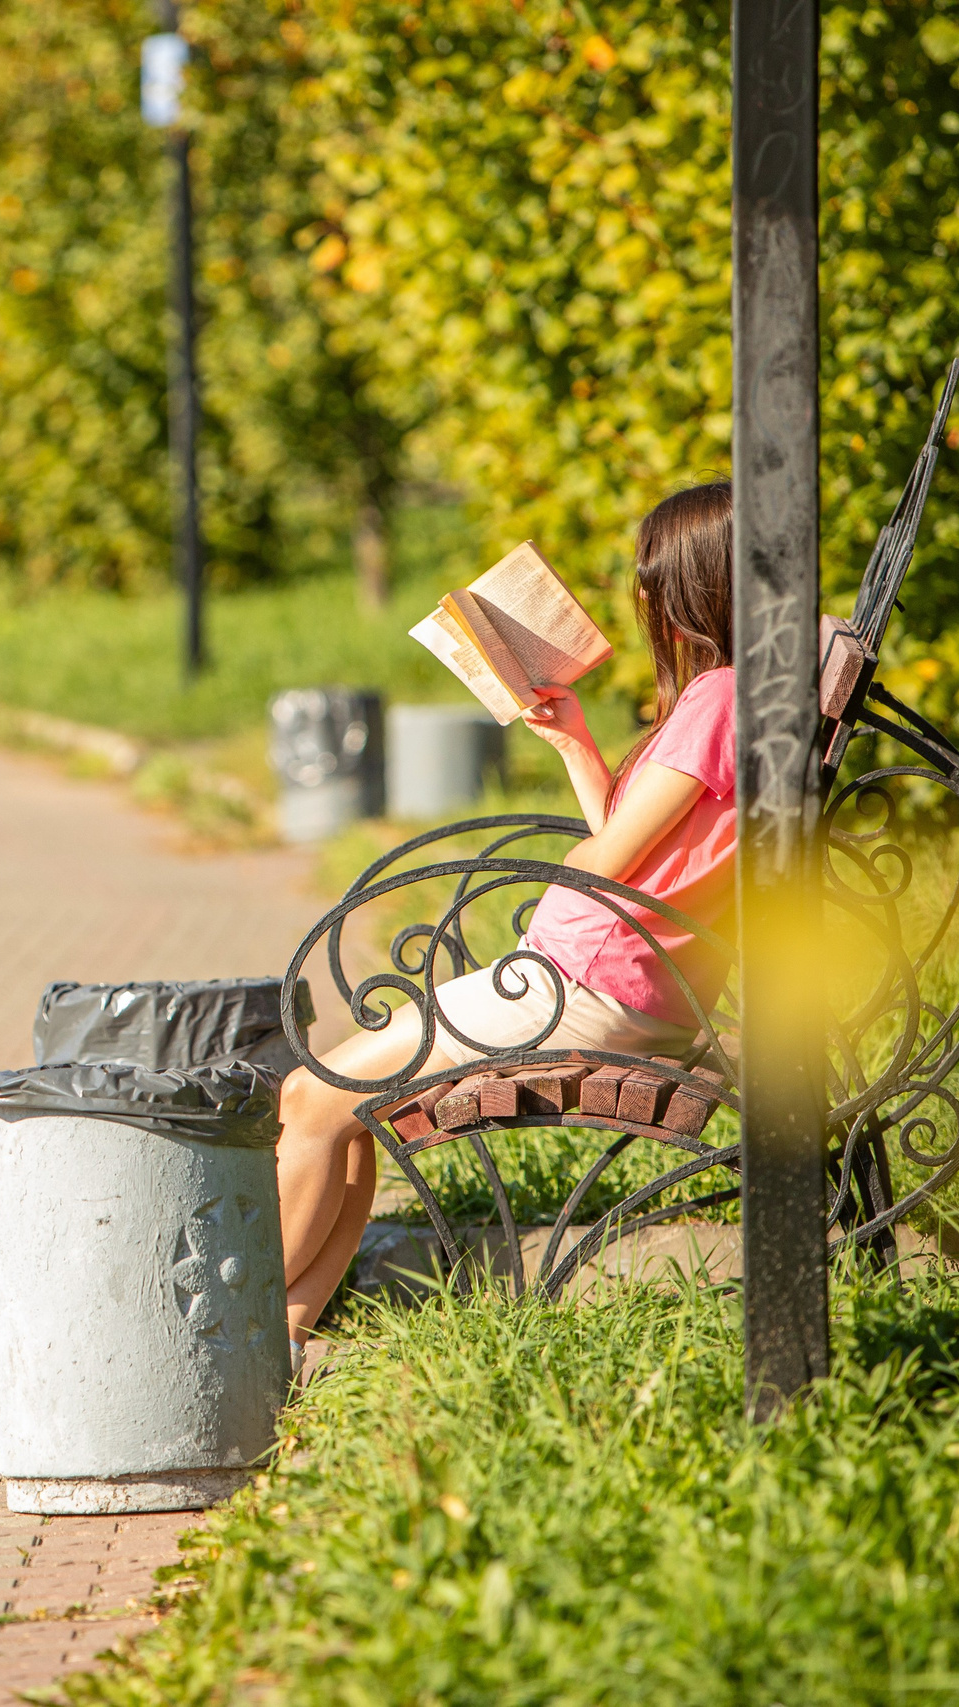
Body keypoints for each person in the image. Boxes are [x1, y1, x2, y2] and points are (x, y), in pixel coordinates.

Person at [274, 481, 738, 1349]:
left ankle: (229, 1333)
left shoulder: (720, 699)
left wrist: (568, 874)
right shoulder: (740, 700)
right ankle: (280, 1340)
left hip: (586, 984)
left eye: (654, 581)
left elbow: (611, 859)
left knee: (311, 1096)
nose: (647, 599)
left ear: (695, 587)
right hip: (607, 979)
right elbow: (645, 848)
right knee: (348, 1116)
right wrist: (574, 743)